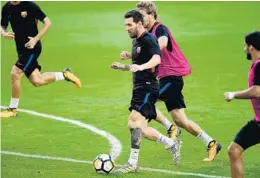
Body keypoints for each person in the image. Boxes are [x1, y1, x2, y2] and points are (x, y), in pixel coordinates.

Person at [120, 1, 222, 161]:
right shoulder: (143, 36)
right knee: (182, 120)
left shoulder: (160, 28)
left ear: (152, 15)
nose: (139, 18)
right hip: (165, 79)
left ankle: (169, 130)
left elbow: (162, 44)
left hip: (171, 77)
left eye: (142, 15)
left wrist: (146, 52)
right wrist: (133, 55)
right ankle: (211, 143)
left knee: (145, 103)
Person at [111, 10, 181, 174]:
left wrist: (141, 67)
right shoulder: (136, 40)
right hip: (140, 88)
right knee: (137, 127)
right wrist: (124, 66)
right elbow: (138, 61)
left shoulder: (148, 39)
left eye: (129, 25)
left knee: (134, 123)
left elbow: (157, 58)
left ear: (139, 23)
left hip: (148, 87)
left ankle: (133, 163)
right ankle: (171, 144)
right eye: (125, 25)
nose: (126, 28)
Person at [0, 1, 81, 118]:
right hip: (21, 49)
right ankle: (65, 75)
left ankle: (12, 109)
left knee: (15, 73)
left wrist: (35, 39)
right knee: (37, 81)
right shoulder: (7, 7)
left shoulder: (29, 5)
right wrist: (3, 33)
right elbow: (2, 25)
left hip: (32, 47)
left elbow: (48, 23)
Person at [224, 31, 260, 178]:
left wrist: (234, 95)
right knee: (234, 150)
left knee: (234, 150)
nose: (244, 48)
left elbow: (257, 91)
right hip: (258, 122)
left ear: (251, 47)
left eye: (245, 45)